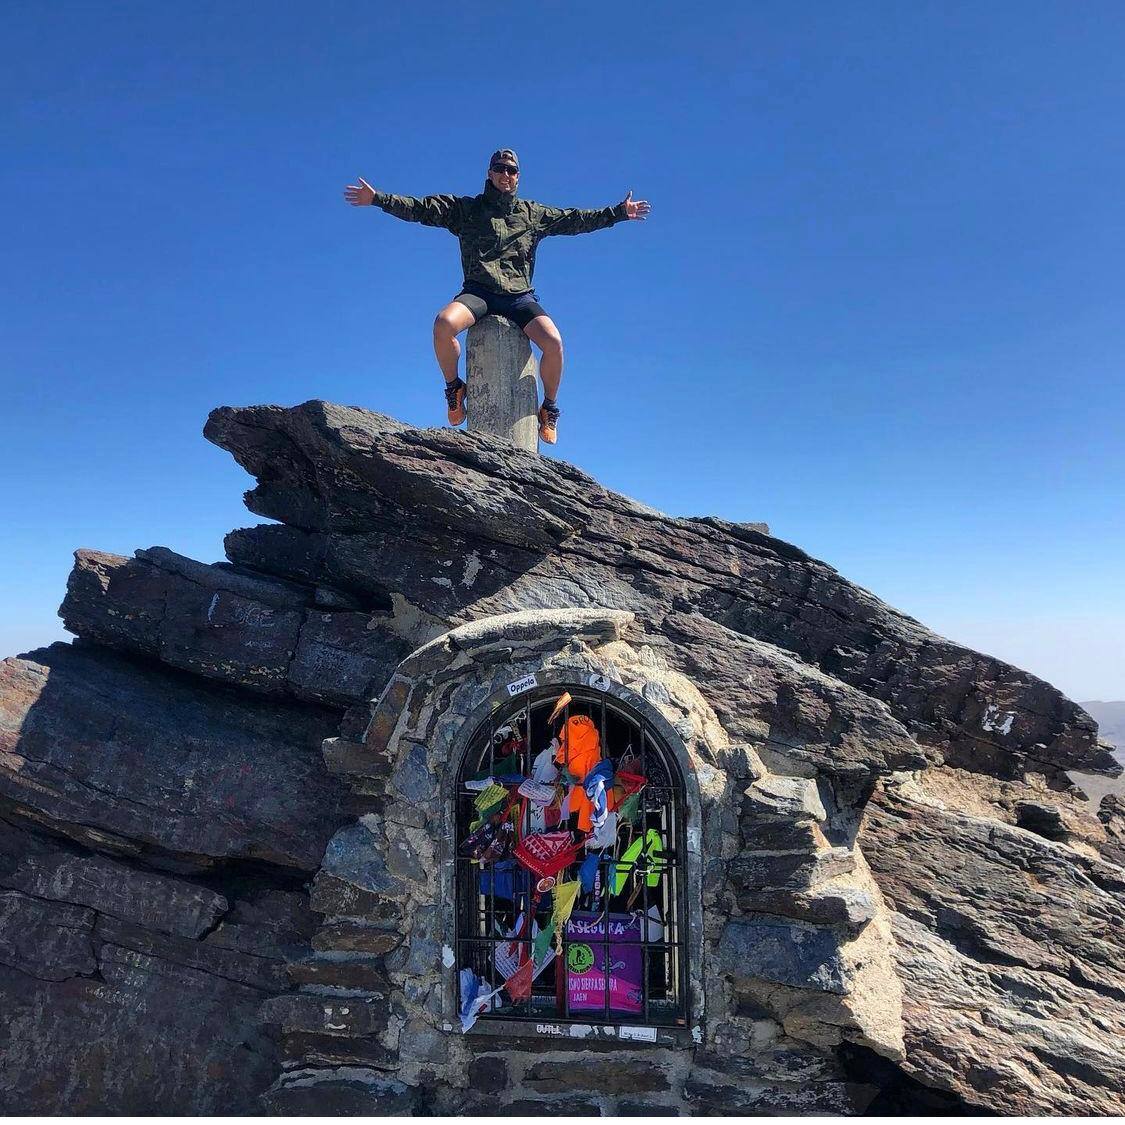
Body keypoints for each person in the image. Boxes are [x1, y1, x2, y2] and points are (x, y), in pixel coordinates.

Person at [344, 149, 650, 444]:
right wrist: (378, 199)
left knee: (553, 342)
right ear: (490, 173)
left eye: (511, 170)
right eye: (500, 169)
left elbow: (576, 220)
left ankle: (549, 409)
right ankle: (454, 388)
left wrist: (619, 213)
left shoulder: (532, 213)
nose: (506, 174)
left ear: (518, 176)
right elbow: (422, 208)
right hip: (478, 292)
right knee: (443, 324)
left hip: (518, 296)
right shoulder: (466, 210)